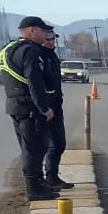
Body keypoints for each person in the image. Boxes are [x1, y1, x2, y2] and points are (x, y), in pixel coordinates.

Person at [0, 16, 58, 201]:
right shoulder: (30, 50)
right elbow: (34, 81)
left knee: (28, 147)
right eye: (43, 31)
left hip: (14, 105)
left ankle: (37, 185)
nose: (45, 35)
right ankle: (34, 189)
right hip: (30, 107)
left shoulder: (8, 48)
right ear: (32, 30)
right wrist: (44, 108)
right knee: (35, 148)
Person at [39, 29, 74, 190]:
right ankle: (44, 179)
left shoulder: (52, 55)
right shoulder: (39, 56)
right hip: (45, 105)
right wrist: (44, 105)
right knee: (45, 145)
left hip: (56, 103)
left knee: (59, 143)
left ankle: (52, 176)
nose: (51, 42)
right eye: (48, 39)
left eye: (53, 39)